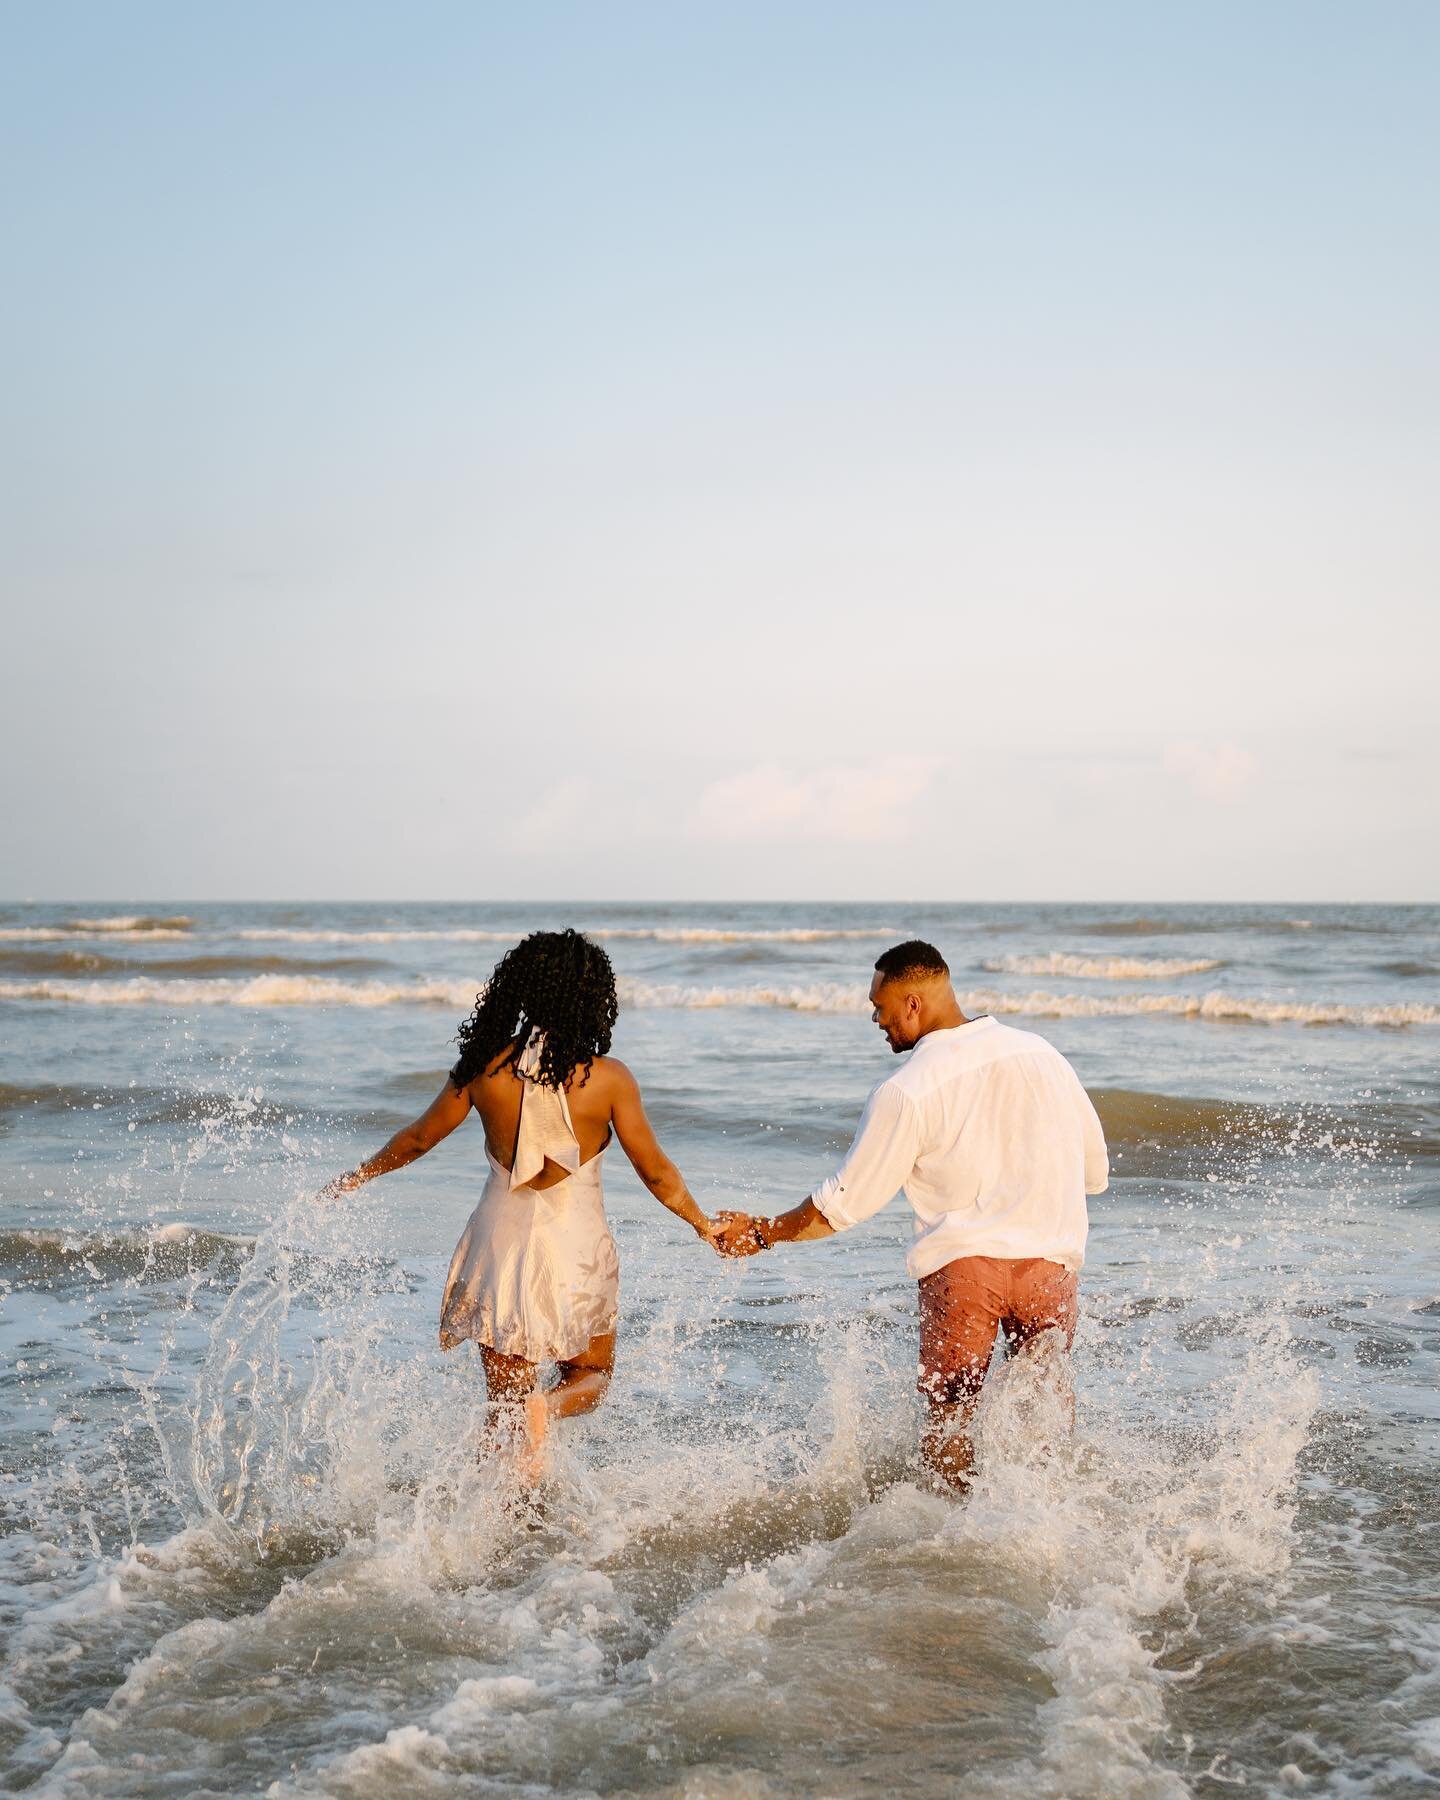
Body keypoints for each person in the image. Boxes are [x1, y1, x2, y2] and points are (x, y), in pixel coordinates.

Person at [320, 928, 722, 1475]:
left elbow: (418, 1138)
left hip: (498, 1241)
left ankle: (496, 1526)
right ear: (592, 998)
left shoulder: (482, 1069)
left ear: (520, 992)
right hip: (574, 1246)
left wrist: (355, 1177)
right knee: (589, 1377)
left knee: (504, 1409)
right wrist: (702, 1224)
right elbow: (655, 1171)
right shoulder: (608, 1080)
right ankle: (548, 1409)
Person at [714, 939, 1108, 1490]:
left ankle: (946, 1551)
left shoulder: (908, 1089)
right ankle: (1042, 1533)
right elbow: (1094, 1171)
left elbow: (842, 1204)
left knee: (950, 1426)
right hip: (1051, 1269)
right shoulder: (1042, 1054)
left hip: (966, 1272)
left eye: (880, 1008)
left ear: (913, 1003)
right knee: (1044, 1421)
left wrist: (762, 1232)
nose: (877, 1021)